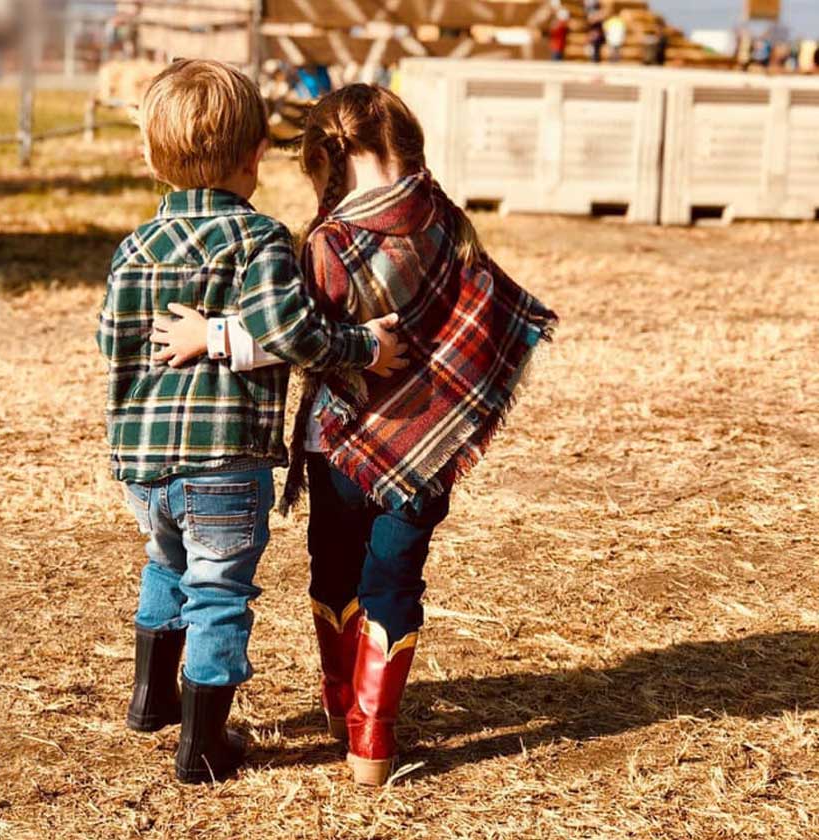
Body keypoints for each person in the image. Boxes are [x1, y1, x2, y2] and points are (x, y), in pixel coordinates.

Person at [151, 84, 558, 785]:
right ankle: (373, 741)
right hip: (429, 447)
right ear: (406, 139)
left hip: (337, 446)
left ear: (321, 156)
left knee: (335, 574)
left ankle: (341, 708)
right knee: (395, 582)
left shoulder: (330, 241)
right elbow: (483, 323)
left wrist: (210, 336)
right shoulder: (448, 222)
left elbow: (291, 338)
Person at [98, 60, 407, 785]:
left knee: (166, 563)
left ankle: (151, 699)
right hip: (221, 465)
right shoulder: (258, 237)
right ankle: (204, 744)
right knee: (219, 592)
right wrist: (366, 346)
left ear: (149, 157)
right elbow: (290, 329)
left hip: (142, 465)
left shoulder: (133, 247)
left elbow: (112, 342)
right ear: (254, 157)